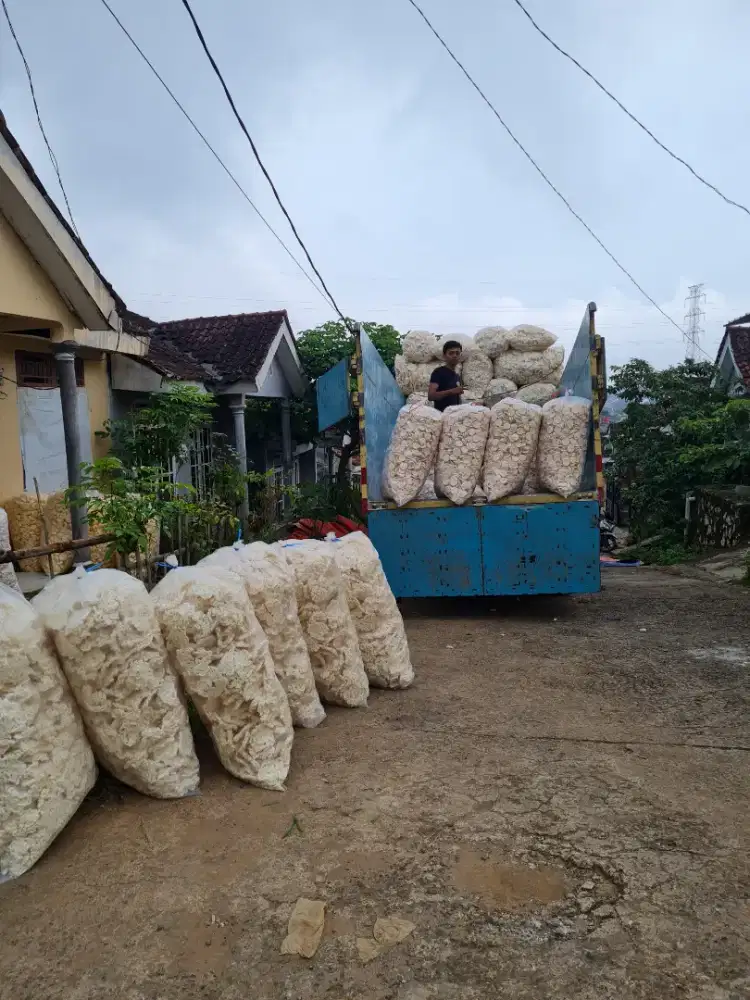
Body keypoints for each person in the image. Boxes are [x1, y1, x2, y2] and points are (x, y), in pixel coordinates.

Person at [428, 340, 464, 412]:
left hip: (454, 416)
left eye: (457, 353)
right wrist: (452, 391)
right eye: (451, 353)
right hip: (442, 416)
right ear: (444, 356)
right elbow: (431, 396)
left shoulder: (456, 375)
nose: (455, 356)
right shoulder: (438, 372)